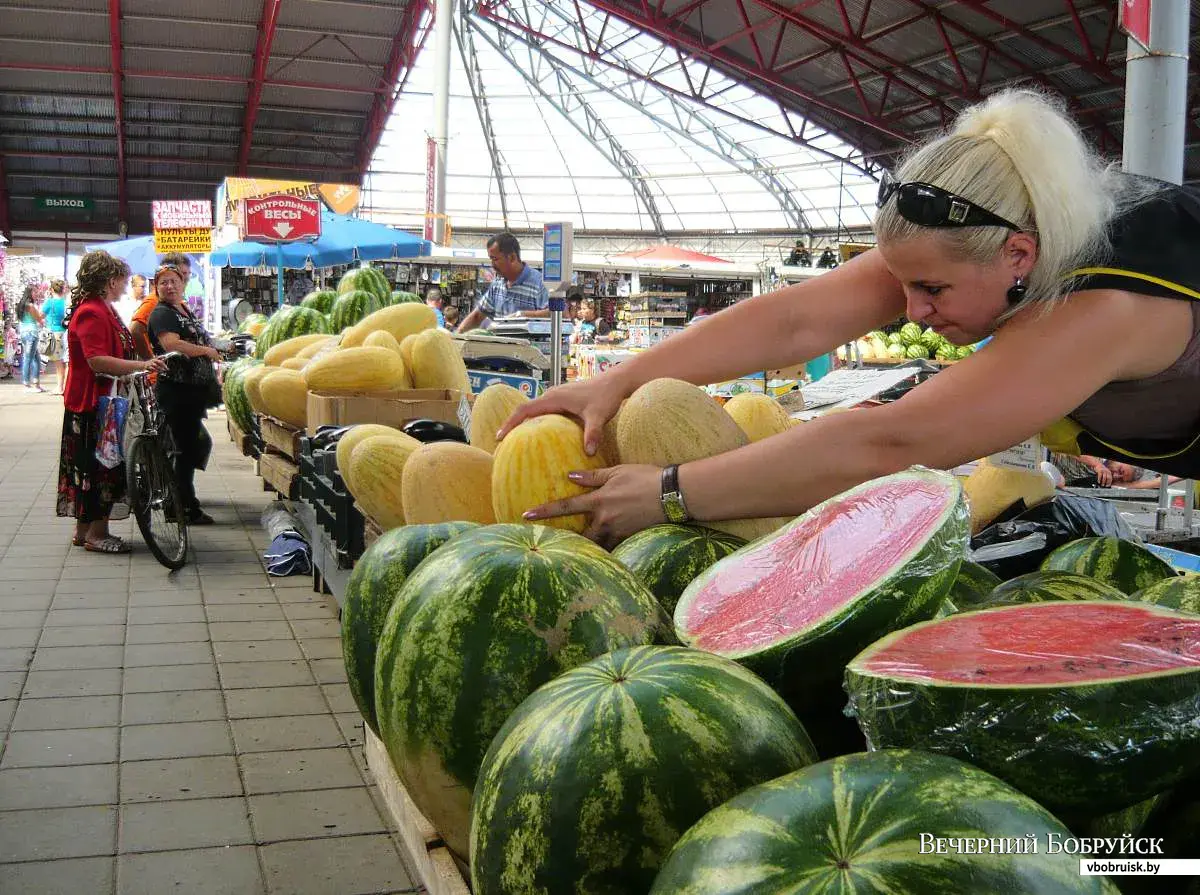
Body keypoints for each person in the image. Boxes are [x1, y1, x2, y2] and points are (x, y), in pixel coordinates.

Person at [498, 88, 1200, 547]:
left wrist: (669, 493)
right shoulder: (984, 236)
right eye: (902, 287)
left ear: (1021, 253)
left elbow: (892, 441)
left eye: (929, 290)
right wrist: (619, 380)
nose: (912, 311)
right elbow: (797, 322)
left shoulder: (1106, 308)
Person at [57, 251, 167, 553]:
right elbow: (96, 361)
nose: (126, 285)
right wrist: (141, 367)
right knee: (99, 469)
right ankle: (96, 533)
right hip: (93, 403)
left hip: (102, 400)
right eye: (122, 279)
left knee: (90, 467)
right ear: (109, 281)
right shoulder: (91, 311)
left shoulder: (102, 308)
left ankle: (84, 532)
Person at [146, 264, 221, 526]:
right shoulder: (161, 313)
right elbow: (172, 344)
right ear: (156, 287)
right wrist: (206, 352)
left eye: (174, 281)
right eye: (163, 282)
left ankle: (181, 503)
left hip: (191, 392)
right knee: (183, 451)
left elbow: (196, 337)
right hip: (176, 391)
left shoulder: (182, 309)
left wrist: (215, 346)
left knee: (189, 448)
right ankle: (183, 507)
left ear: (183, 283)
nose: (169, 286)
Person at [456, 233, 550, 333]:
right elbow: (477, 316)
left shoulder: (540, 283)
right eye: (491, 259)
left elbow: (560, 314)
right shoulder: (497, 284)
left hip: (530, 348)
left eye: (495, 259)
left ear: (512, 258)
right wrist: (456, 337)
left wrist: (523, 315)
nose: (492, 265)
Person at [131, 252, 191, 360]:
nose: (185, 279)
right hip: (166, 371)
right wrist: (150, 360)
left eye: (187, 274)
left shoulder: (178, 301)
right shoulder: (155, 300)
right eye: (183, 274)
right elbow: (135, 330)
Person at [41, 278, 69, 396]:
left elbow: (41, 315)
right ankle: (64, 386)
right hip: (65, 333)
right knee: (65, 361)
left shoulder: (49, 302)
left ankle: (60, 387)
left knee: (58, 363)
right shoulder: (65, 303)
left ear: (51, 289)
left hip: (54, 333)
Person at [15, 285, 45, 391]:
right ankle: (28, 383)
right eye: (34, 292)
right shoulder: (30, 306)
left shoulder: (21, 305)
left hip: (24, 333)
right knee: (30, 359)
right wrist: (43, 317)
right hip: (31, 334)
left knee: (35, 358)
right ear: (29, 293)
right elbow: (39, 318)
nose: (36, 294)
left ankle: (35, 383)